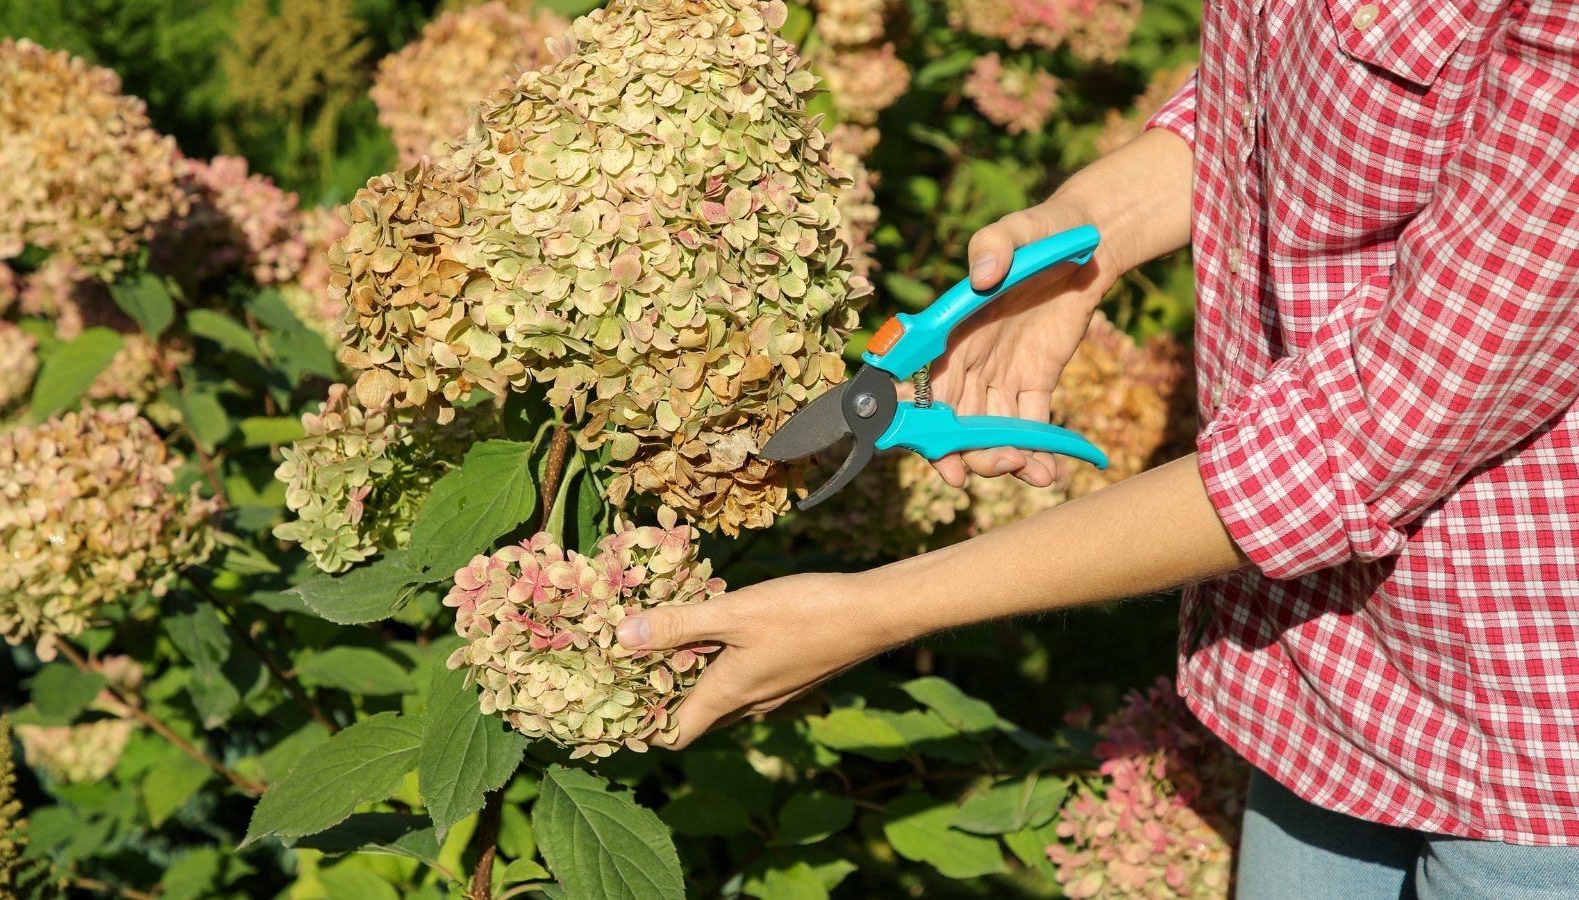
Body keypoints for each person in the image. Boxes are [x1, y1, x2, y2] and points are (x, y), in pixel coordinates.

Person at [617, 0, 1579, 896]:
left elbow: (1361, 439)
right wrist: (1086, 231)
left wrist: (871, 609)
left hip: (1528, 756)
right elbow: (1280, 97)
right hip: (1319, 681)